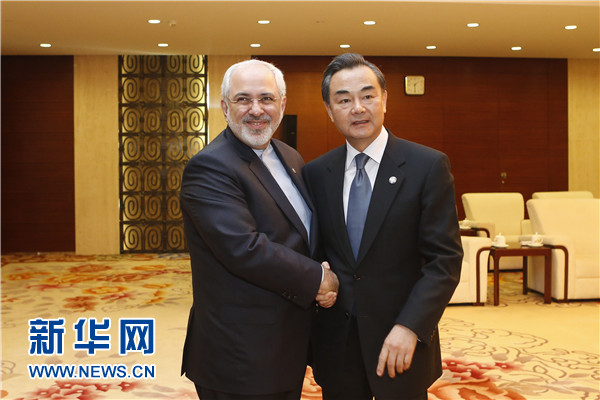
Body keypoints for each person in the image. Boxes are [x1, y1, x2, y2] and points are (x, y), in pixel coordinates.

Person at [303, 53, 463, 400]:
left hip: (402, 341)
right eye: (344, 100)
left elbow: (444, 262)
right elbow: (314, 251)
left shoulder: (426, 167)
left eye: (368, 96)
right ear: (329, 110)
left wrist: (410, 326)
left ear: (385, 100)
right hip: (337, 345)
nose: (358, 108)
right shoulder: (316, 174)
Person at [180, 59, 338, 400]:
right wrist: (317, 278)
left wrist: (322, 269)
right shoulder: (210, 166)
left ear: (282, 104)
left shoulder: (289, 156)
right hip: (239, 354)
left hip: (284, 345)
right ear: (225, 107)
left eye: (266, 98)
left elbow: (301, 233)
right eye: (243, 99)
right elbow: (244, 249)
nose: (256, 110)